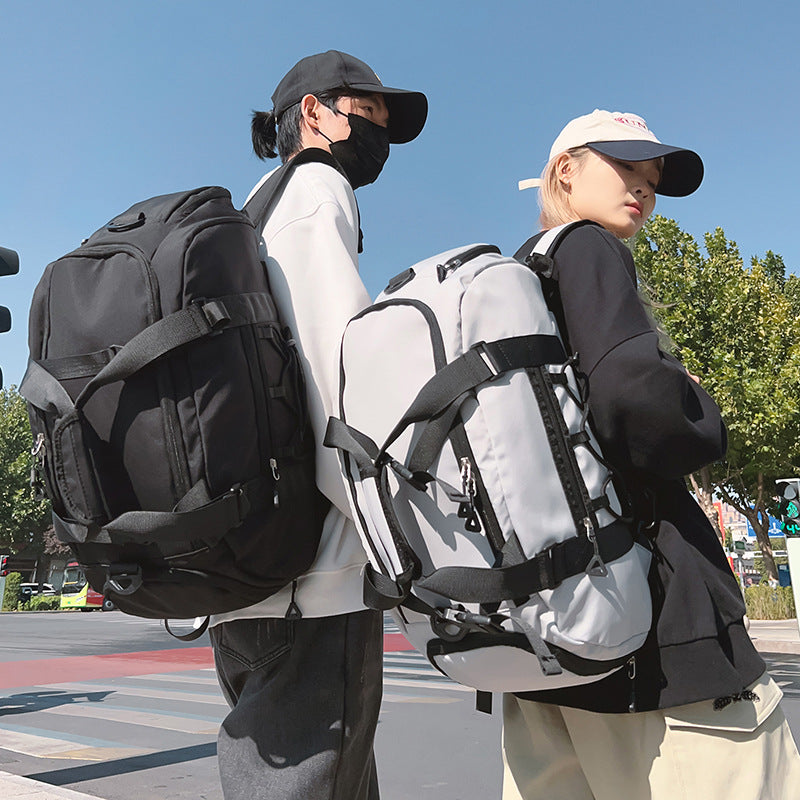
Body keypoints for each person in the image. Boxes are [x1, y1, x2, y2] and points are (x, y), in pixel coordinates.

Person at [505, 110, 800, 799]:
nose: (642, 191)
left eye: (651, 180)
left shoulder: (520, 273)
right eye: (625, 169)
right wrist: (695, 404)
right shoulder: (588, 248)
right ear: (566, 170)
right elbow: (637, 401)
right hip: (659, 625)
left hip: (552, 642)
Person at [207, 51, 427, 800]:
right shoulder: (316, 186)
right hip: (317, 581)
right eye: (369, 117)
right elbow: (339, 379)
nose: (379, 141)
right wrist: (397, 542)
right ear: (314, 112)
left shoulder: (252, 206)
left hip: (245, 575)